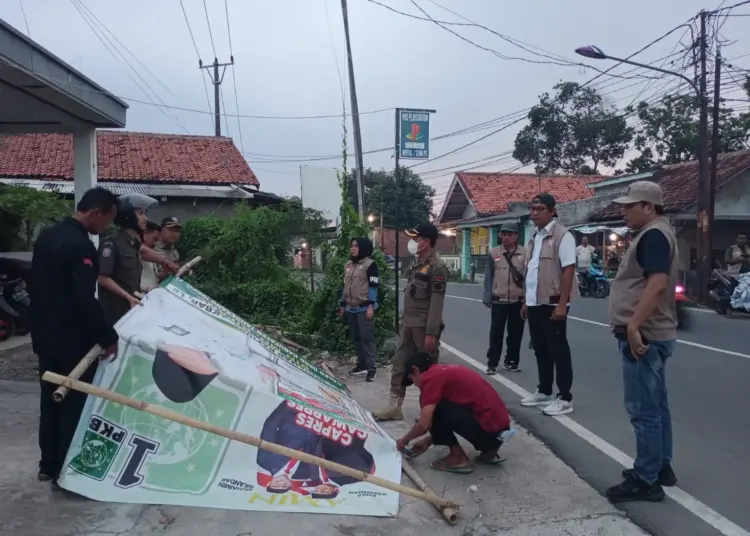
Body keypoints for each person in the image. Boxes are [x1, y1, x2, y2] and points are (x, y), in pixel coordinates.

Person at [30, 187, 121, 485]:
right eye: (107, 220)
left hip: (45, 336)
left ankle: (48, 465)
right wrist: (108, 336)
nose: (105, 227)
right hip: (72, 340)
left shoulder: (46, 237)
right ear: (96, 213)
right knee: (72, 404)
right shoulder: (80, 246)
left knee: (50, 401)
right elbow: (84, 299)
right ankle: (67, 469)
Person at [605, 181, 678, 503]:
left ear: (648, 207)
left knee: (643, 410)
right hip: (655, 332)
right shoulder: (659, 233)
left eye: (629, 206)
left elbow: (658, 284)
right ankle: (661, 466)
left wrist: (634, 325)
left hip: (645, 336)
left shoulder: (653, 235)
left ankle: (646, 479)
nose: (623, 211)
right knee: (657, 406)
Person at [373, 223, 449, 422]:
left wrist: (431, 333)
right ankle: (394, 406)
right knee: (399, 364)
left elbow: (436, 303)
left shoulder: (437, 268)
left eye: (416, 238)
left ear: (427, 241)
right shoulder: (417, 265)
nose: (412, 242)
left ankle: (433, 412)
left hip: (424, 328)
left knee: (428, 371)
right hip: (408, 325)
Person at [395, 352, 511, 474]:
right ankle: (489, 451)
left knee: (433, 408)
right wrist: (429, 440)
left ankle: (458, 459)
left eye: (412, 380)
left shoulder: (431, 379)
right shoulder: (444, 371)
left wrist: (404, 441)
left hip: (489, 433)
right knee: (434, 407)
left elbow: (424, 424)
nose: (416, 385)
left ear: (415, 370)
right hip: (498, 433)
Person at [520, 193, 578, 416]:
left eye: (540, 208)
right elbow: (532, 270)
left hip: (553, 303)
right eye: (533, 208)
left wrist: (563, 303)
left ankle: (565, 397)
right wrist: (526, 301)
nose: (535, 212)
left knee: (558, 350)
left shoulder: (562, 236)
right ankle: (544, 391)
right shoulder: (534, 237)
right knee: (540, 349)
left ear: (552, 211)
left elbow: (568, 269)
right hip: (536, 302)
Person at [98, 194, 177, 325]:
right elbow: (102, 278)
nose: (145, 218)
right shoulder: (111, 244)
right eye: (141, 213)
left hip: (130, 309)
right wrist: (128, 297)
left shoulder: (133, 243)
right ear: (128, 215)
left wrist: (166, 263)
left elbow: (144, 251)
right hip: (114, 313)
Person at [482, 223, 526, 374]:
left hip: (518, 301)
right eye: (503, 234)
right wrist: (487, 296)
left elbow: (529, 279)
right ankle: (492, 363)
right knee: (496, 333)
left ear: (516, 236)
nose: (506, 237)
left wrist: (528, 300)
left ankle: (512, 361)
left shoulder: (525, 254)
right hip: (498, 300)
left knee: (516, 334)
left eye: (509, 234)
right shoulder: (494, 253)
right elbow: (489, 276)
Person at [339, 237, 379, 382]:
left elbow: (374, 287)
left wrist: (370, 305)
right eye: (352, 246)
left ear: (363, 248)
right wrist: (342, 304)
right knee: (356, 338)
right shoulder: (348, 265)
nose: (353, 248)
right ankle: (361, 365)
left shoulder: (370, 265)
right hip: (351, 308)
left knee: (366, 338)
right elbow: (345, 286)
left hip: (364, 308)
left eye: (356, 246)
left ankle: (371, 369)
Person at [140, 221, 162, 293]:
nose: (155, 243)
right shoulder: (134, 252)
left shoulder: (153, 258)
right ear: (144, 234)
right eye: (154, 239)